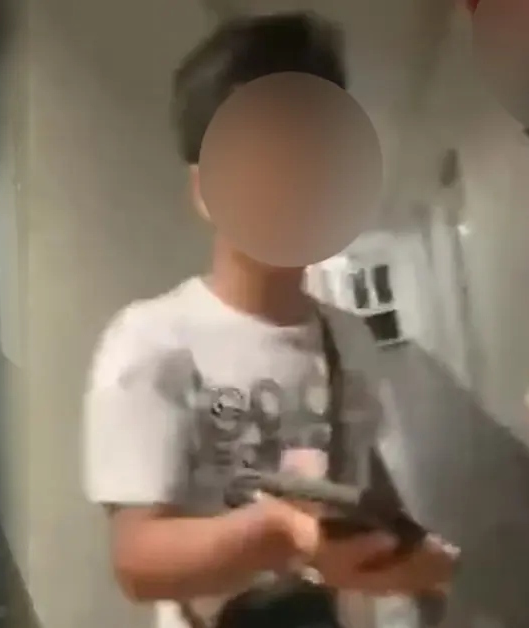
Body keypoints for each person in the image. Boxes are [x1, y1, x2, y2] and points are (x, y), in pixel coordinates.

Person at [81, 12, 456, 628]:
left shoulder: (350, 338)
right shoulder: (151, 341)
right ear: (205, 190)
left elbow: (365, 476)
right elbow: (137, 560)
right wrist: (280, 534)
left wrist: (414, 557)